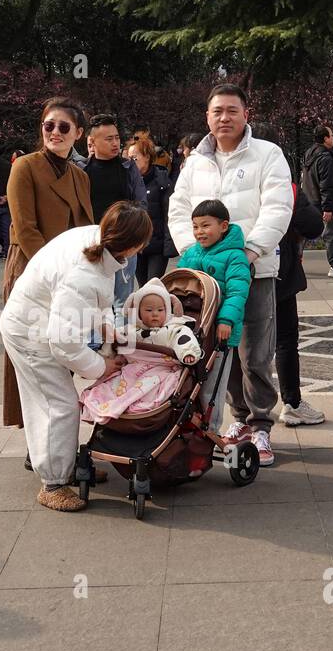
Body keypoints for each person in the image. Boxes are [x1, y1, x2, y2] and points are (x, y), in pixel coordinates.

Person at [167, 83, 292, 467]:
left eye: (232, 110)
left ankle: (260, 425)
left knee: (255, 351)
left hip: (253, 271)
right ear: (207, 116)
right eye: (217, 110)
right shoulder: (195, 162)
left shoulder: (267, 154)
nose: (224, 117)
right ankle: (238, 418)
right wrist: (195, 256)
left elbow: (278, 205)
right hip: (205, 278)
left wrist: (248, 252)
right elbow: (179, 209)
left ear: (245, 114)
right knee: (220, 351)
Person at [0, 202, 151, 511]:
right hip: (32, 331)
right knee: (59, 404)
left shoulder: (97, 242)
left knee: (53, 402)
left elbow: (90, 301)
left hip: (37, 322)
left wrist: (107, 329)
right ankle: (53, 483)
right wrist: (101, 367)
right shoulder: (84, 271)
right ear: (134, 245)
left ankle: (63, 465)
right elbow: (63, 341)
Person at [2, 97, 94, 430]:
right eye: (48, 125)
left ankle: (56, 441)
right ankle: (40, 443)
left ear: (78, 133)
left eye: (63, 127)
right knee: (35, 358)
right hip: (31, 269)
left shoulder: (80, 177)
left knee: (63, 353)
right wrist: (56, 277)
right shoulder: (24, 166)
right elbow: (26, 229)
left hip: (69, 275)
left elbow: (85, 231)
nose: (54, 132)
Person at [175, 198, 254, 430]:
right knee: (186, 382)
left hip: (219, 332)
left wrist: (226, 320)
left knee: (213, 385)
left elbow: (238, 293)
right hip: (191, 329)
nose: (199, 232)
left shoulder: (235, 256)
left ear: (224, 226)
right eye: (195, 226)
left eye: (205, 225)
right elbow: (177, 281)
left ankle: (211, 430)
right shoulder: (192, 253)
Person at [81, 277, 202, 423]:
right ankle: (104, 406)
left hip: (162, 368)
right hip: (134, 367)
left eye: (160, 310)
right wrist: (105, 356)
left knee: (150, 386)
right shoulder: (132, 330)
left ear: (168, 310)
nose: (155, 314)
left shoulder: (173, 328)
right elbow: (114, 339)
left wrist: (187, 352)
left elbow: (183, 338)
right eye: (149, 310)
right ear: (138, 312)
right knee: (112, 385)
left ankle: (134, 405)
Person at [82, 113, 147, 307]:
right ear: (92, 141)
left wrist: (136, 236)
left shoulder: (128, 168)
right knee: (92, 301)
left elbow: (141, 202)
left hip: (124, 242)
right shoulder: (81, 171)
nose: (115, 143)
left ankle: (120, 338)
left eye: (117, 137)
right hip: (93, 243)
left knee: (122, 303)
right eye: (109, 138)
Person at [276, 179, 327, 425]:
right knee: (285, 341)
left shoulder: (225, 180)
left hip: (237, 275)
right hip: (279, 275)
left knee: (243, 348)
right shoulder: (286, 189)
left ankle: (244, 416)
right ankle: (292, 403)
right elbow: (314, 225)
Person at [126, 134, 174, 283]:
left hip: (157, 246)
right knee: (142, 287)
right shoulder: (127, 181)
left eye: (135, 158)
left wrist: (168, 246)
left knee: (153, 286)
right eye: (129, 158)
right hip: (135, 246)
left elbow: (168, 214)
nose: (131, 162)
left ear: (147, 157)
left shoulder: (162, 181)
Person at [302, 125, 333, 278]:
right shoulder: (325, 158)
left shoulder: (309, 153)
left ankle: (295, 262)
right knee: (330, 234)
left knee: (302, 235)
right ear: (325, 138)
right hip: (321, 203)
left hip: (308, 201)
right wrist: (328, 208)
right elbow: (327, 184)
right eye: (331, 135)